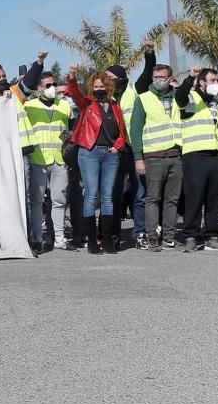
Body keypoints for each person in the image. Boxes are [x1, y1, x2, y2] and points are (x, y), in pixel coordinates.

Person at [65, 67, 126, 254]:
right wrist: (72, 77)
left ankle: (107, 240)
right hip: (90, 151)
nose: (99, 89)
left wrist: (118, 146)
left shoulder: (114, 106)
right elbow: (74, 92)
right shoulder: (87, 104)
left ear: (108, 87)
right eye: (96, 86)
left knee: (107, 197)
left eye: (102, 86)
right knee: (91, 194)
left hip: (110, 153)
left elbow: (121, 131)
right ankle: (92, 241)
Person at [107, 43, 157, 248]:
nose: (108, 81)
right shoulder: (105, 96)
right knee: (114, 195)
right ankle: (113, 234)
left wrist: (149, 54)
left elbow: (148, 72)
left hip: (135, 150)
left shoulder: (136, 89)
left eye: (111, 77)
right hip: (114, 151)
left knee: (139, 194)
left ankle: (140, 233)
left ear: (120, 77)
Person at [176, 66, 218, 252]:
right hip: (195, 155)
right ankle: (191, 236)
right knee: (194, 199)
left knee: (215, 200)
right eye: (213, 80)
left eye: (217, 80)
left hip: (216, 158)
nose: (216, 83)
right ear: (202, 83)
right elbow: (180, 97)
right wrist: (189, 77)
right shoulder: (191, 98)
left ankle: (212, 237)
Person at [130, 63, 182, 251]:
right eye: (156, 77)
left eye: (163, 77)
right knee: (153, 198)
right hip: (153, 156)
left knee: (172, 199)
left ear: (170, 79)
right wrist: (138, 158)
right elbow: (135, 130)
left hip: (175, 155)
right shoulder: (143, 99)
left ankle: (169, 236)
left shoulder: (178, 98)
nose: (159, 81)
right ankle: (152, 236)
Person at [23, 71, 72, 252]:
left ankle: (59, 237)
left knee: (59, 200)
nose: (52, 88)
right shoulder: (29, 106)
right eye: (48, 85)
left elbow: (70, 131)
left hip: (59, 160)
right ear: (39, 88)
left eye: (54, 84)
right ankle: (37, 238)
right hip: (38, 159)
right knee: (36, 201)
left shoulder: (64, 105)